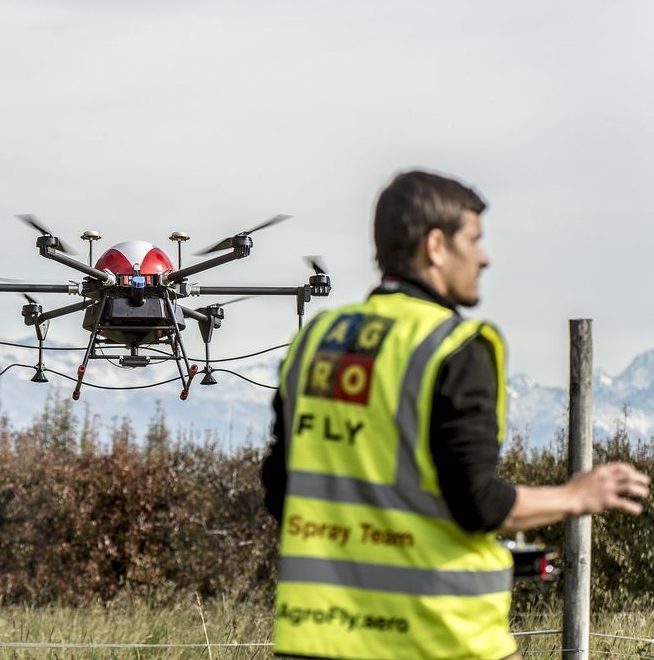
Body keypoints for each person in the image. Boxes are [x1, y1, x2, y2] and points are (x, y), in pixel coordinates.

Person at [261, 170, 649, 660]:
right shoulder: (456, 347)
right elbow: (479, 504)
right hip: (437, 639)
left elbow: (281, 490)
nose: (484, 257)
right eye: (476, 240)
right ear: (437, 246)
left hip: (316, 639)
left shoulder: (316, 341)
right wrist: (577, 495)